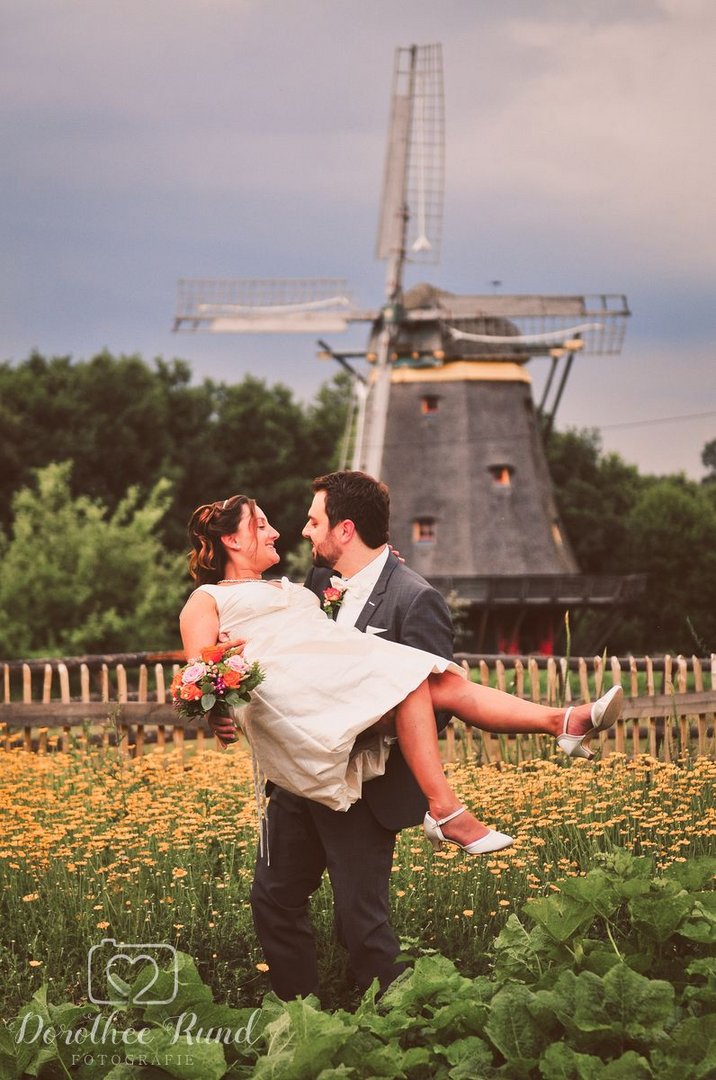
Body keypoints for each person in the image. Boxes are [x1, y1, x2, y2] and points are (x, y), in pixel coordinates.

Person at [180, 473, 623, 1000]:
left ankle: (559, 723)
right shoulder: (271, 591)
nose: (290, 531)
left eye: (311, 521)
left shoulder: (341, 593)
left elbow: (333, 649)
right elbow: (198, 676)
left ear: (344, 529)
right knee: (276, 899)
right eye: (264, 524)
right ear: (233, 540)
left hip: (359, 764)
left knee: (431, 680)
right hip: (299, 753)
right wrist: (216, 703)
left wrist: (377, 709)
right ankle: (298, 1010)